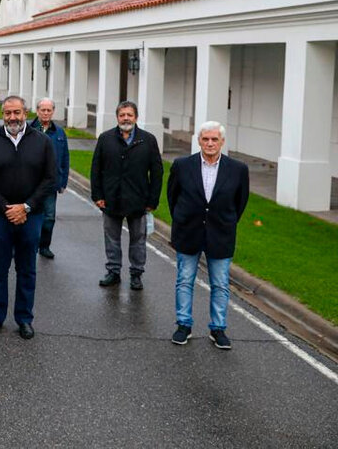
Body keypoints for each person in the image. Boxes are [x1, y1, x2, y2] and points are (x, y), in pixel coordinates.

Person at [0, 96, 55, 339]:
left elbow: (50, 179)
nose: (13, 117)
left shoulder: (42, 142)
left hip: (31, 217)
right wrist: (6, 208)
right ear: (2, 115)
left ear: (25, 113)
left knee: (26, 269)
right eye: (8, 113)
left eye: (17, 112)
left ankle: (24, 318)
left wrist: (27, 207)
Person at [168, 121, 249, 350]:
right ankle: (184, 325)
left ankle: (218, 328)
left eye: (215, 139)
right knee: (184, 280)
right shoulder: (182, 165)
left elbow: (239, 203)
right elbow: (173, 197)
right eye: (206, 139)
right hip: (188, 232)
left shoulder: (238, 169)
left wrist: (226, 221)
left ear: (222, 141)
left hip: (221, 233)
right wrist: (183, 219)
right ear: (198, 141)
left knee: (220, 284)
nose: (210, 143)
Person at [90, 101, 163, 291]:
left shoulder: (148, 140)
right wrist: (97, 195)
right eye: (122, 115)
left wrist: (152, 200)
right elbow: (96, 168)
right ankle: (113, 272)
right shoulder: (105, 139)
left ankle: (136, 274)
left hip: (138, 200)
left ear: (136, 117)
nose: (126, 118)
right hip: (110, 199)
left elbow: (157, 172)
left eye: (129, 115)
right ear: (117, 117)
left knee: (138, 240)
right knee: (111, 239)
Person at [29, 98, 70, 259]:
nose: (46, 113)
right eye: (43, 110)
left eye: (49, 110)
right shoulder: (28, 129)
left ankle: (44, 246)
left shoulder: (59, 132)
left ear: (53, 112)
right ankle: (26, 245)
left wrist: (63, 181)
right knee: (28, 215)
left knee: (49, 217)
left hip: (50, 184)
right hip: (30, 183)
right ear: (37, 110)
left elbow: (65, 158)